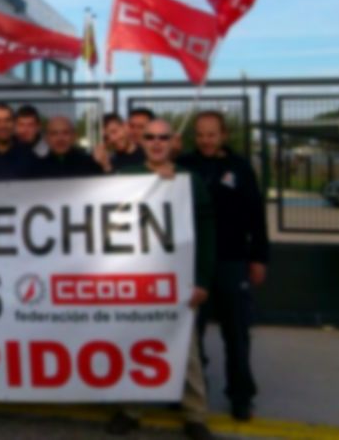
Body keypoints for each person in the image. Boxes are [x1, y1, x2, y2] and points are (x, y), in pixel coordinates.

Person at [107, 119, 216, 440]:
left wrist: (202, 280)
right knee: (133, 344)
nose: (156, 143)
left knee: (186, 347)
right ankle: (130, 409)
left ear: (173, 142)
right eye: (150, 137)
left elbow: (207, 234)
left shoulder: (189, 181)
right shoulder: (126, 177)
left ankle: (195, 415)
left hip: (177, 278)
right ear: (141, 141)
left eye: (162, 138)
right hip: (136, 277)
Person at [177, 111, 269, 422]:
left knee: (237, 334)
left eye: (211, 134)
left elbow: (256, 215)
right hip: (194, 264)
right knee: (191, 335)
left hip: (232, 261)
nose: (205, 140)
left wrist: (259, 257)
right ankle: (192, 394)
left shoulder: (240, 168)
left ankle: (241, 396)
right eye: (200, 134)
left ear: (224, 135)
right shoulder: (184, 165)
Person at [35, 116, 105, 178]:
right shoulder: (36, 167)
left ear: (74, 136)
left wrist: (106, 166)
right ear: (46, 138)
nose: (60, 138)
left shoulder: (90, 164)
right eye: (54, 133)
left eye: (65, 133)